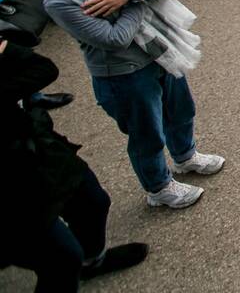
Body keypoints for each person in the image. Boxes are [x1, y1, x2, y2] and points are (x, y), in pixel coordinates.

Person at [35, 0, 222, 209]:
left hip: (162, 53)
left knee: (181, 110)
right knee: (146, 133)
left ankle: (186, 156)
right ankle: (158, 188)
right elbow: (115, 39)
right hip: (123, 74)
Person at [1, 37, 149, 289]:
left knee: (93, 202)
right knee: (61, 257)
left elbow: (44, 68)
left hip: (31, 148)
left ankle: (91, 262)